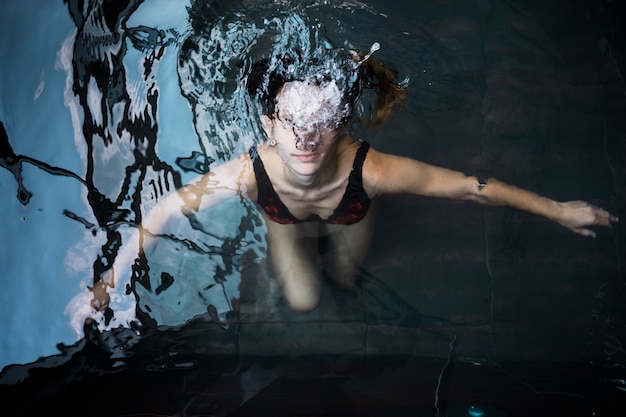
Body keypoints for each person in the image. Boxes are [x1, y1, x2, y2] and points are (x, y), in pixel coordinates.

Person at [111, 49, 618, 315]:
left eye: (320, 122)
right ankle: (280, 270)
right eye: (290, 123)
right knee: (303, 300)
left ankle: (337, 270)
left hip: (350, 211)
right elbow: (162, 211)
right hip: (282, 219)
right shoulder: (247, 172)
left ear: (340, 122)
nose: (305, 138)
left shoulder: (370, 171)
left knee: (348, 278)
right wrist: (102, 290)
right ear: (268, 124)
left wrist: (557, 210)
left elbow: (471, 186)